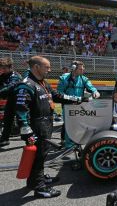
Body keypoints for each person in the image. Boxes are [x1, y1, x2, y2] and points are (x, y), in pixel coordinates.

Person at [15, 56, 82, 198]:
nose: (50, 70)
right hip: (36, 126)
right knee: (38, 157)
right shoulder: (27, 84)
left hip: (46, 123)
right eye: (47, 67)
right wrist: (26, 129)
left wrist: (77, 99)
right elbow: (21, 108)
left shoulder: (42, 83)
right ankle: (40, 188)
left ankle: (34, 181)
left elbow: (56, 96)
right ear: (36, 67)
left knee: (42, 155)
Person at [57, 61, 100, 148]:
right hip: (67, 106)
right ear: (73, 69)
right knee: (69, 125)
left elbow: (91, 87)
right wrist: (73, 99)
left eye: (83, 68)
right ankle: (69, 146)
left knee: (78, 125)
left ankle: (76, 142)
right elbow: (59, 93)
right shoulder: (63, 78)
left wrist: (95, 91)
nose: (83, 70)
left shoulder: (83, 79)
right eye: (80, 69)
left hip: (79, 106)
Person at [0, 57, 22, 147]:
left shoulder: (16, 76)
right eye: (1, 68)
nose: (2, 70)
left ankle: (31, 139)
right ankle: (5, 139)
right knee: (7, 119)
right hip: (10, 100)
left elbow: (9, 87)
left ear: (10, 67)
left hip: (21, 100)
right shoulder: (3, 75)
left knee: (22, 120)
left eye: (4, 68)